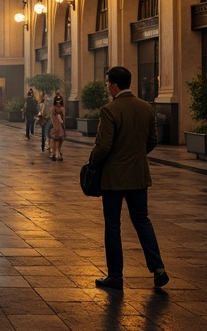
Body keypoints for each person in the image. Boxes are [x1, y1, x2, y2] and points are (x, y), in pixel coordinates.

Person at [88, 66, 168, 291]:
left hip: (113, 178)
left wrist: (93, 163)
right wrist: (136, 155)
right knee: (142, 220)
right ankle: (158, 269)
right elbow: (152, 140)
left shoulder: (110, 110)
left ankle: (115, 276)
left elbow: (103, 146)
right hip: (138, 175)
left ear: (113, 85)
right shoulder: (146, 108)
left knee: (113, 225)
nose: (107, 87)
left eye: (107, 83)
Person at [49, 93, 66, 161]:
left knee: (60, 140)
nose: (58, 101)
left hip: (60, 125)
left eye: (59, 99)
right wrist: (53, 124)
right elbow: (52, 116)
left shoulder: (62, 108)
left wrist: (62, 120)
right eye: (57, 99)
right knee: (54, 140)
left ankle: (58, 152)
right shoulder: (54, 108)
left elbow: (64, 117)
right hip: (55, 125)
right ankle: (54, 153)